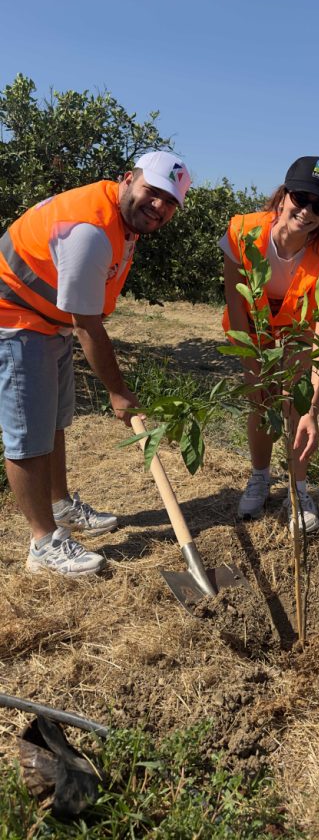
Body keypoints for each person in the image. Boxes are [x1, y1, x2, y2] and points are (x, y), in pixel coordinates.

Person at [0, 151, 192, 575]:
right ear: (128, 180)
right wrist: (119, 391)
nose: (159, 207)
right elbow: (88, 324)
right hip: (12, 319)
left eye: (170, 202)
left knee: (54, 421)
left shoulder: (121, 220)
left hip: (48, 322)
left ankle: (60, 505)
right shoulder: (89, 230)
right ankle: (43, 543)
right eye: (153, 192)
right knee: (29, 432)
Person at [220, 156, 319, 535]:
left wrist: (314, 411)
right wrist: (250, 363)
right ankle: (260, 476)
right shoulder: (241, 233)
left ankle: (298, 488)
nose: (307, 212)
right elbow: (234, 301)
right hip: (252, 328)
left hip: (296, 332)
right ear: (283, 195)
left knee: (295, 405)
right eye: (302, 198)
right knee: (261, 401)